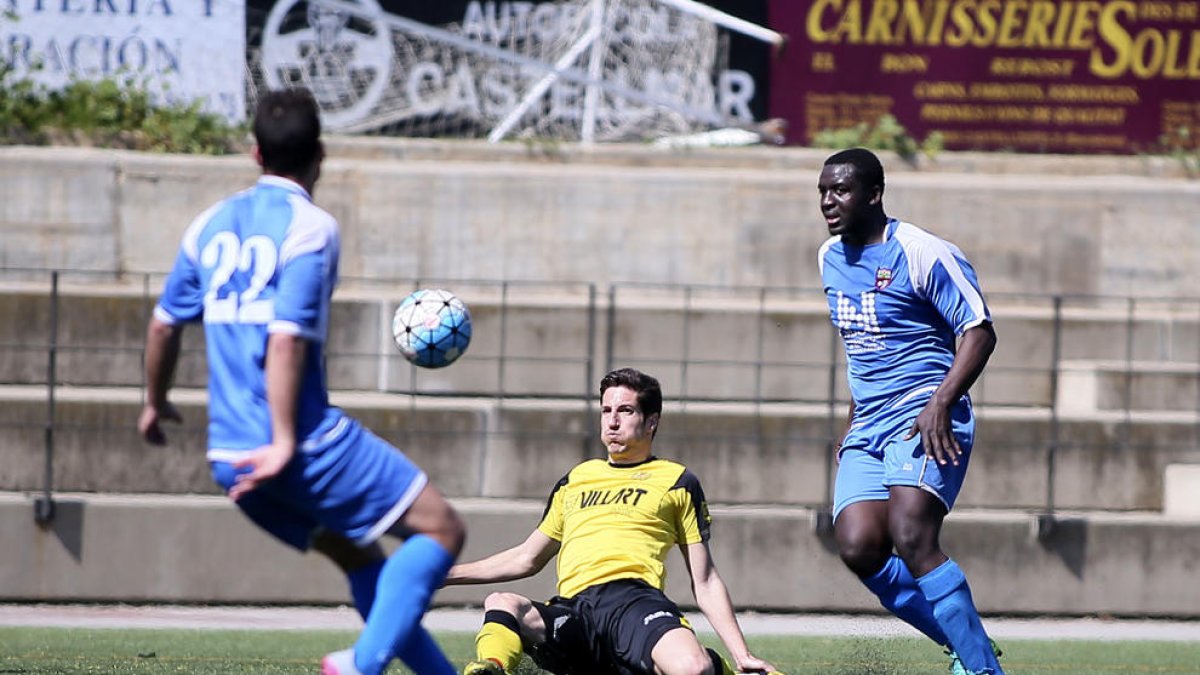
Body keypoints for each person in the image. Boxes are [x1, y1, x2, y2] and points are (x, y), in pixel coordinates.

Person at [137, 87, 466, 675]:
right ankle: (361, 667)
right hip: (298, 445)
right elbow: (286, 338)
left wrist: (153, 403)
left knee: (358, 553)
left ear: (256, 155)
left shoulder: (207, 225)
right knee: (442, 529)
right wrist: (286, 440)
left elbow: (164, 326)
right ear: (321, 153)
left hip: (230, 458)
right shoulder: (311, 228)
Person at [444, 367, 780, 675]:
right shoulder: (575, 480)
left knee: (693, 669)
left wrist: (742, 654)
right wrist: (445, 576)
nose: (612, 421)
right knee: (501, 602)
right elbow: (527, 558)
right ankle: (492, 667)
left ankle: (716, 666)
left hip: (635, 606)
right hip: (577, 612)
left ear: (652, 422)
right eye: (606, 411)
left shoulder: (677, 480)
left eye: (625, 411)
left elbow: (704, 580)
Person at [816, 147, 1003, 675]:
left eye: (842, 190)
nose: (829, 201)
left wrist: (942, 401)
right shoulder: (829, 257)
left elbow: (979, 332)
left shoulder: (923, 252)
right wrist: (853, 420)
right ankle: (966, 645)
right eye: (824, 192)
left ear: (874, 194)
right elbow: (862, 343)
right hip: (870, 423)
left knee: (913, 533)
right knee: (858, 545)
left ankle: (982, 668)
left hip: (926, 412)